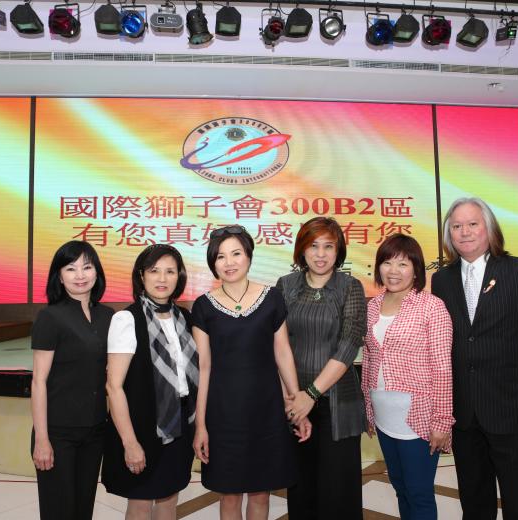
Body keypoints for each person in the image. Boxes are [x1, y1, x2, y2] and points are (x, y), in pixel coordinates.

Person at [431, 197, 518, 520]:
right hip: (464, 411)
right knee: (474, 501)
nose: (464, 232)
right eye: (456, 226)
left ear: (489, 229)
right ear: (449, 234)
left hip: (512, 405)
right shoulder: (442, 280)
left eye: (472, 224)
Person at [190, 225, 312, 520]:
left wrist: (297, 405)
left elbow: (282, 353)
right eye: (220, 256)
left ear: (249, 256)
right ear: (212, 263)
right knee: (229, 494)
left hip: (266, 412)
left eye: (236, 254)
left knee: (261, 493)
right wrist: (201, 425)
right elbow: (203, 368)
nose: (229, 262)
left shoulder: (272, 298)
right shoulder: (203, 306)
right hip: (223, 416)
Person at [276, 217, 366, 520]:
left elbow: (348, 344)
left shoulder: (350, 287)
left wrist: (311, 394)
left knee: (338, 495)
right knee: (302, 492)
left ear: (338, 251)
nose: (320, 254)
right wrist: (293, 399)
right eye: (313, 246)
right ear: (302, 249)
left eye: (329, 246)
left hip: (338, 405)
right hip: (295, 403)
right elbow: (279, 344)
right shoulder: (286, 286)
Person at [102, 244, 199, 520]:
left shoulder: (184, 317)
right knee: (141, 503)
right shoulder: (127, 319)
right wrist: (130, 443)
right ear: (141, 275)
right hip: (143, 425)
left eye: (170, 271)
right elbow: (113, 387)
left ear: (179, 277)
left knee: (169, 499)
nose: (162, 278)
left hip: (180, 423)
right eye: (154, 271)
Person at [361, 233, 454, 520]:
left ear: (416, 270)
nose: (393, 271)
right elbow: (369, 358)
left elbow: (442, 368)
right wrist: (368, 408)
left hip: (418, 418)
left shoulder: (432, 307)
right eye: (387, 263)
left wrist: (442, 421)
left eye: (402, 264)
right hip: (383, 415)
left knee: (419, 493)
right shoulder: (371, 306)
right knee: (400, 487)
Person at [30, 240, 114, 520]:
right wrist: (42, 439)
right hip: (58, 433)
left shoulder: (108, 316)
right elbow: (39, 382)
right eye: (71, 268)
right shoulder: (50, 317)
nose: (80, 275)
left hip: (95, 430)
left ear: (97, 272)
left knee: (83, 509)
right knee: (59, 511)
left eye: (87, 267)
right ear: (59, 275)